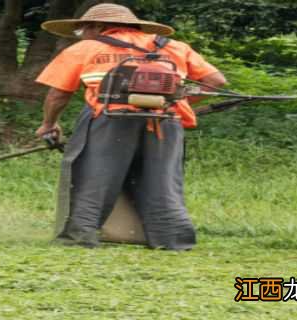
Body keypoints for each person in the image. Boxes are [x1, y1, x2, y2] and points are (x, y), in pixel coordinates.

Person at [34, 3, 227, 250]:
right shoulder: (173, 47)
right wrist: (176, 102)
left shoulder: (86, 49)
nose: (82, 35)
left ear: (97, 26)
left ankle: (80, 238)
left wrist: (49, 124)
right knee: (163, 181)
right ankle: (173, 241)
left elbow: (58, 95)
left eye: (82, 30)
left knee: (94, 179)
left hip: (110, 121)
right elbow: (215, 82)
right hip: (165, 122)